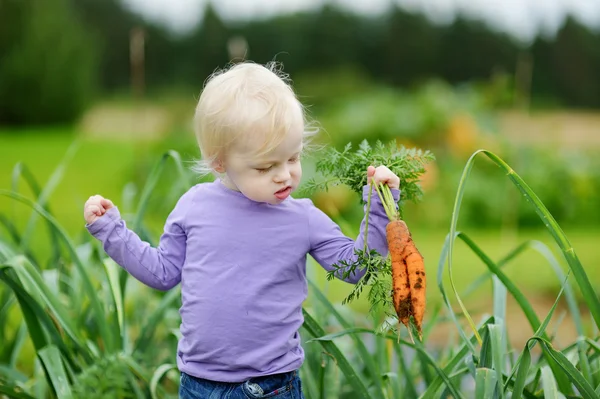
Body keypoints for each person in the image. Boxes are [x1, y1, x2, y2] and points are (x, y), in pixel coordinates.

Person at [83, 61, 400, 399]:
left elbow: (356, 268)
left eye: (293, 158)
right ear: (219, 161)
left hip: (273, 386)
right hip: (200, 385)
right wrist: (113, 232)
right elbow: (162, 272)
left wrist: (380, 206)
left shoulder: (302, 218)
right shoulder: (195, 207)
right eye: (266, 166)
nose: (285, 175)